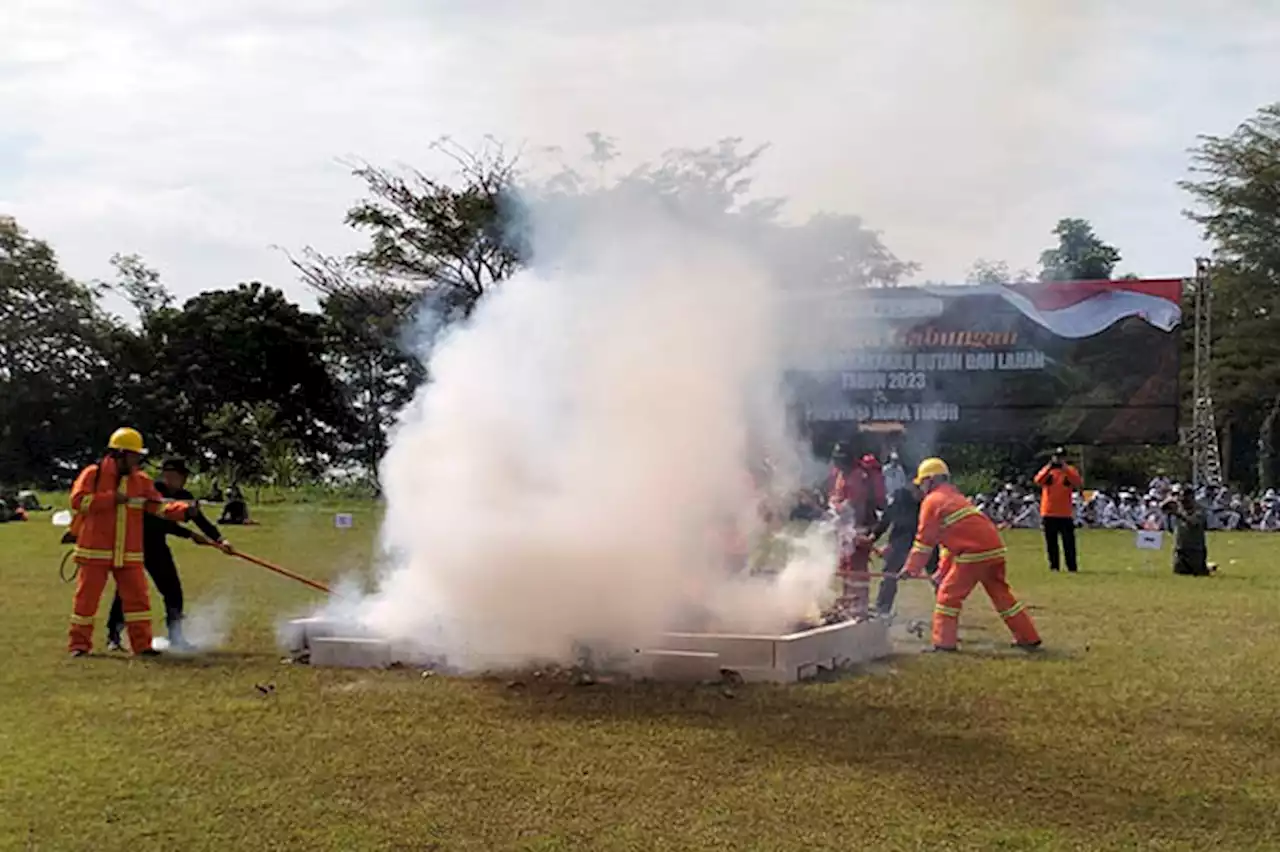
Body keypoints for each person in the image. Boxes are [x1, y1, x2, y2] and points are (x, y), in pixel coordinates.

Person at [67, 428, 198, 657]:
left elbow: (158, 507)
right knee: (86, 602)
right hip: (95, 552)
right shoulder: (93, 474)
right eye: (133, 455)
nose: (137, 460)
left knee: (138, 601)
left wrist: (184, 511)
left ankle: (142, 645)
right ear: (119, 454)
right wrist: (110, 499)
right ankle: (79, 645)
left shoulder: (141, 481)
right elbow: (78, 501)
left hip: (129, 553)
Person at [901, 457, 1042, 652]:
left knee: (948, 597)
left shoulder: (933, 501)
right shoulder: (955, 498)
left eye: (922, 482)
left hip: (974, 553)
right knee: (1002, 597)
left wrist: (910, 569)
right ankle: (1028, 637)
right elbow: (951, 546)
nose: (921, 487)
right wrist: (941, 574)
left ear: (930, 480)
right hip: (994, 549)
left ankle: (944, 644)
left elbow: (924, 541)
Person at [106, 458, 231, 652]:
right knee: (125, 592)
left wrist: (220, 540)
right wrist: (189, 534)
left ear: (184, 478)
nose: (170, 479)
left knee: (173, 591)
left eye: (175, 476)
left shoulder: (184, 496)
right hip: (134, 545)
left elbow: (200, 519)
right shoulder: (151, 490)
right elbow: (156, 522)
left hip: (156, 547)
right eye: (167, 475)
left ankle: (176, 636)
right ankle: (114, 636)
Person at [867, 478, 938, 616]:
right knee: (889, 575)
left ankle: (945, 609)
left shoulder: (932, 499)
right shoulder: (900, 497)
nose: (921, 495)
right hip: (900, 542)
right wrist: (874, 536)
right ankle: (882, 609)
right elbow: (887, 517)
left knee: (937, 576)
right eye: (918, 490)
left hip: (927, 543)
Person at [1034, 447, 1082, 572]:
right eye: (1057, 457)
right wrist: (1049, 467)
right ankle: (1054, 566)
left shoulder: (1070, 471)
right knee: (1051, 543)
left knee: (1069, 543)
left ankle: (1072, 566)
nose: (1059, 459)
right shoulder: (1048, 471)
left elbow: (1077, 481)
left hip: (1065, 513)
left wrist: (1064, 468)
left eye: (1062, 457)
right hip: (1048, 512)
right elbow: (1038, 480)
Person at [1164, 485, 1216, 576]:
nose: (1184, 502)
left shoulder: (1200, 510)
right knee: (1180, 572)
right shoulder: (1179, 508)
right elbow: (1163, 507)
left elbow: (1193, 523)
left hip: (1195, 550)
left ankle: (1207, 567)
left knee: (1198, 573)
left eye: (1186, 499)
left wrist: (1179, 514)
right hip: (1181, 550)